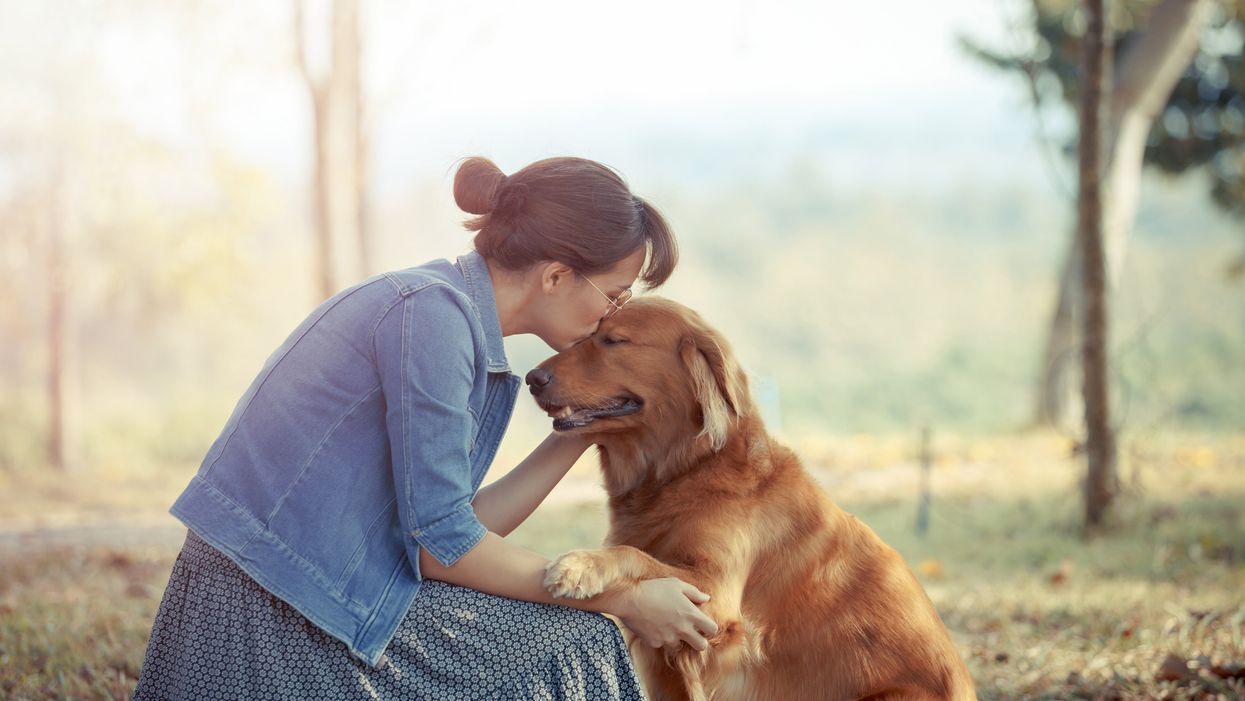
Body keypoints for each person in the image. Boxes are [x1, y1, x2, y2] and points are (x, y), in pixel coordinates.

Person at [131, 156, 718, 700]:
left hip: (322, 591)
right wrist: (624, 596)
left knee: (570, 636)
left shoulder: (446, 312)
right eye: (614, 296)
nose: (611, 317)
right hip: (270, 615)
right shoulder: (431, 318)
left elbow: (448, 532)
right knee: (575, 647)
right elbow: (443, 551)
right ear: (558, 275)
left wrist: (584, 427)